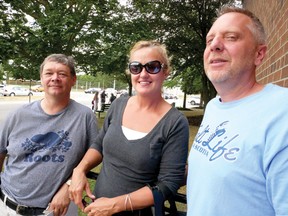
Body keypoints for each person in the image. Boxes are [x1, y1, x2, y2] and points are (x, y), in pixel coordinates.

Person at [186, 5, 288, 216]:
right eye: (209, 40)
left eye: (231, 37)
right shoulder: (215, 105)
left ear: (259, 54)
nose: (214, 45)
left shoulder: (281, 112)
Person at [69, 40, 189, 215]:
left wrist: (116, 205)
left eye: (152, 67)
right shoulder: (119, 105)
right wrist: (80, 169)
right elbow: (99, 145)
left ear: (165, 72)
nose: (143, 74)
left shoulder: (175, 122)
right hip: (98, 211)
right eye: (136, 67)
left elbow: (168, 183)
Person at [0, 54, 99, 216]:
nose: (55, 78)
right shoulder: (17, 115)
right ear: (41, 78)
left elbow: (95, 154)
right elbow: (1, 153)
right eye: (49, 73)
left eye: (62, 74)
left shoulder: (84, 116)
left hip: (57, 211)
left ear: (73, 80)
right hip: (7, 206)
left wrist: (68, 185)